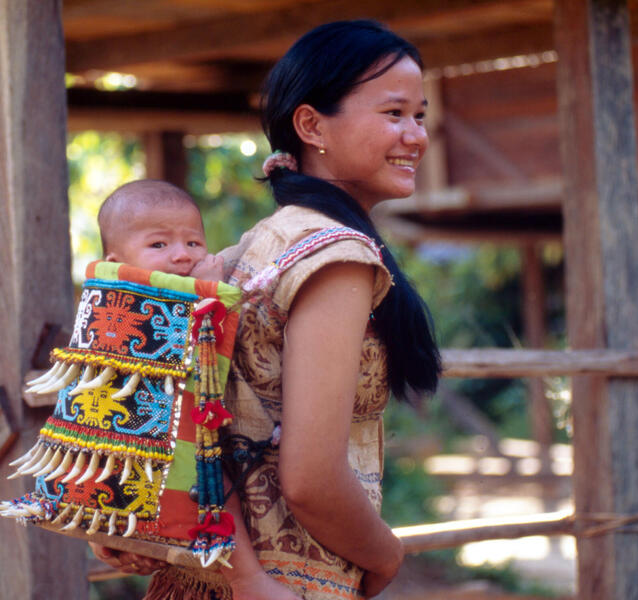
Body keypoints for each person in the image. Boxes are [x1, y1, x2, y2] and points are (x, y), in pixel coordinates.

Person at [143, 20, 441, 599]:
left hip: (200, 579)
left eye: (420, 116)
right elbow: (310, 481)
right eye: (394, 113)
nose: (416, 136)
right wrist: (386, 554)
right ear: (311, 125)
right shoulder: (336, 257)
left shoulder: (257, 245)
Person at [87, 178, 298, 600]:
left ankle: (142, 545)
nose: (182, 255)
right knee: (210, 484)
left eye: (193, 243)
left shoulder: (174, 295)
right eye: (159, 246)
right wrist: (213, 297)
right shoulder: (118, 303)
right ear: (117, 262)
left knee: (208, 480)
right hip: (124, 442)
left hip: (160, 444)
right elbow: (195, 341)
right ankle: (248, 581)